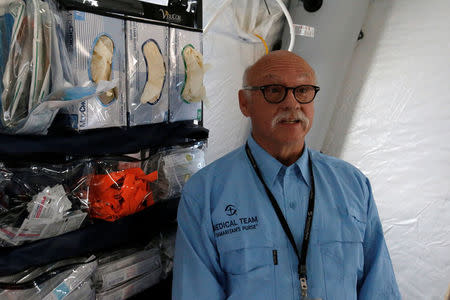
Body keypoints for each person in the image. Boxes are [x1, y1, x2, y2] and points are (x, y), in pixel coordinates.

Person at [172, 50, 401, 300]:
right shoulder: (205, 193)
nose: (292, 103)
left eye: (302, 90)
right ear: (244, 103)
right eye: (273, 90)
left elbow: (380, 290)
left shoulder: (353, 185)